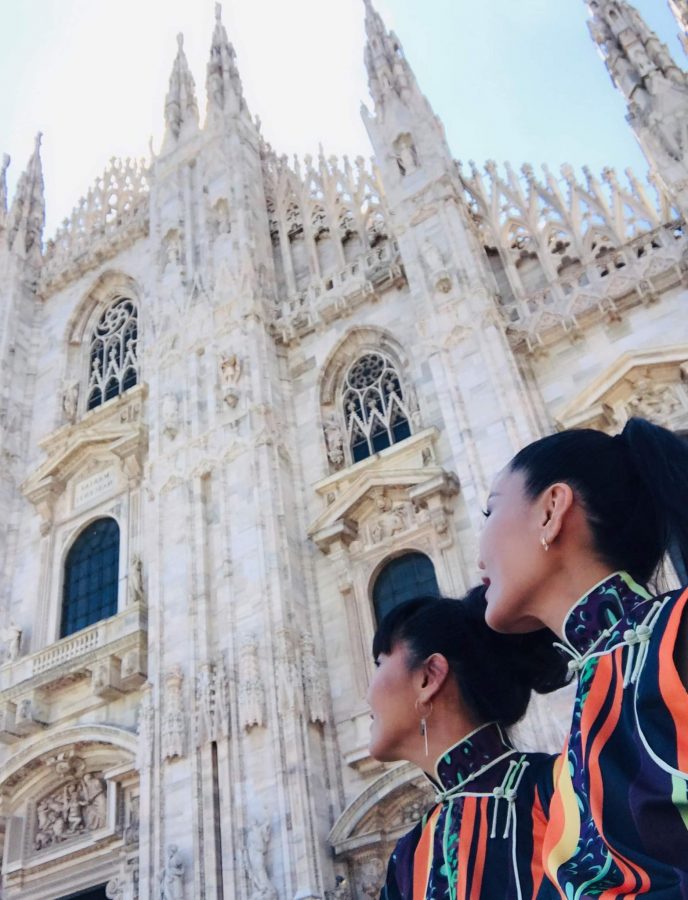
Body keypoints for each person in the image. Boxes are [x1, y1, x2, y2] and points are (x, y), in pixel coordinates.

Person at [478, 416, 688, 897]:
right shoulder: (589, 707)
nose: (479, 553)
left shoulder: (675, 636)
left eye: (490, 511)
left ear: (551, 510)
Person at [367, 588, 567, 899]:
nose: (367, 696)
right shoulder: (408, 859)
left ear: (429, 676)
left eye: (379, 663)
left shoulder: (564, 789)